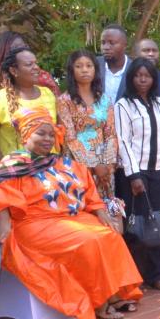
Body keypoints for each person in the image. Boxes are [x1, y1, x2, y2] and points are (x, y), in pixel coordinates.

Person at [0, 111, 142, 319]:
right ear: (26, 135)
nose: (48, 139)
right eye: (41, 134)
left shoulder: (64, 163)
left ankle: (113, 293)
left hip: (72, 218)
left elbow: (89, 191)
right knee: (89, 241)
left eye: (51, 135)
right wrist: (3, 221)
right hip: (33, 224)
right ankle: (99, 302)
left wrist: (101, 212)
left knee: (110, 235)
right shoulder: (12, 165)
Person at [114, 58, 160, 292]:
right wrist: (134, 176)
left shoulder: (159, 103)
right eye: (138, 76)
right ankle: (134, 278)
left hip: (159, 170)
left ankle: (155, 275)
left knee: (157, 223)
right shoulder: (123, 105)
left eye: (147, 76)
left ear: (153, 79)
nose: (142, 80)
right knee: (135, 225)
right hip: (134, 173)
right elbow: (123, 141)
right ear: (131, 78)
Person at [56, 49, 119, 207]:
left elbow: (110, 133)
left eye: (89, 66)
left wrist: (108, 165)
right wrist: (93, 165)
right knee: (82, 207)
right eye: (79, 66)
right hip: (77, 162)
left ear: (95, 69)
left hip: (104, 164)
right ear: (72, 70)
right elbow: (69, 138)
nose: (84, 70)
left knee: (107, 207)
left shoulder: (104, 99)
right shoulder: (64, 101)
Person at [0, 46, 59, 162]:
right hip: (17, 168)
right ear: (14, 71)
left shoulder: (48, 93)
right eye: (29, 64)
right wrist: (1, 162)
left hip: (49, 166)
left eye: (36, 63)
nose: (36, 67)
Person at [0, 30, 58, 97]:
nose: (21, 51)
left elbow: (57, 104)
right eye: (15, 48)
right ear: (1, 51)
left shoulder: (42, 76)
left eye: (24, 47)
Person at [99, 24, 132, 110]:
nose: (106, 47)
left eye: (112, 43)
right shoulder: (93, 66)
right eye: (103, 43)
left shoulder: (135, 69)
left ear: (125, 45)